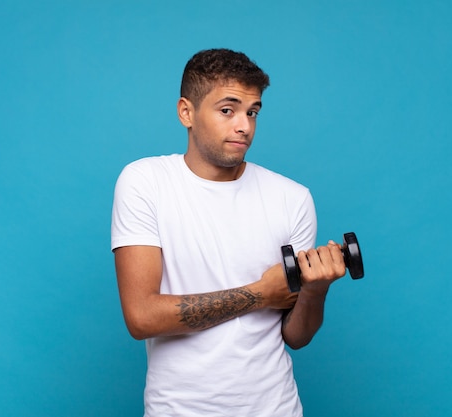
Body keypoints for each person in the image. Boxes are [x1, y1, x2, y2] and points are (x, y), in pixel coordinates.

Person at [111, 48, 346, 417]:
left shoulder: (293, 198)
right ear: (186, 112)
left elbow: (295, 336)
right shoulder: (145, 183)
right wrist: (259, 294)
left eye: (252, 112)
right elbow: (141, 317)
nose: (245, 126)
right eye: (228, 110)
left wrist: (315, 291)